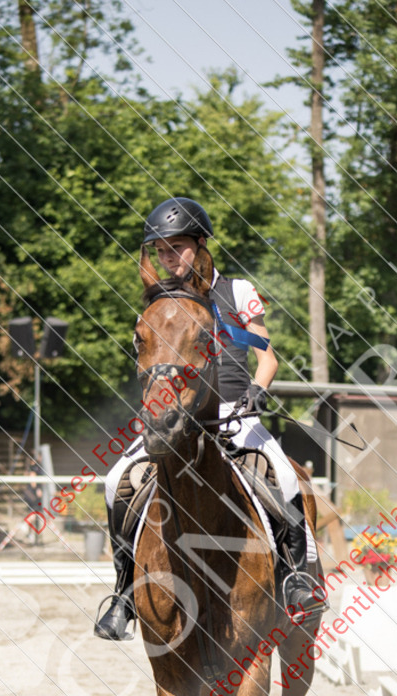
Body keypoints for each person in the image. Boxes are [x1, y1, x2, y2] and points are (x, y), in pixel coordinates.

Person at [94, 196, 324, 640]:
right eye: (160, 251)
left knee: (284, 476)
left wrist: (255, 393)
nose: (168, 259)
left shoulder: (237, 291)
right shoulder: (157, 301)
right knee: (114, 479)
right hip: (175, 417)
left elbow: (267, 357)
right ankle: (124, 592)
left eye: (176, 248)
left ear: (200, 245)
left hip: (235, 414)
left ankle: (296, 577)